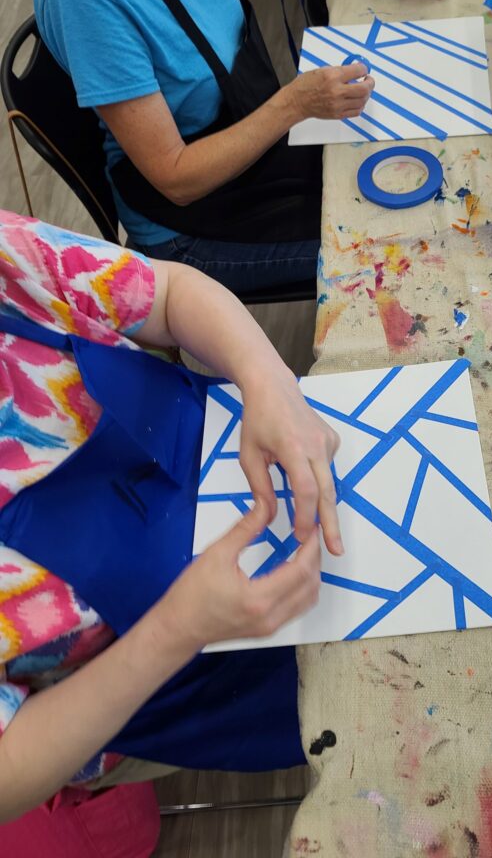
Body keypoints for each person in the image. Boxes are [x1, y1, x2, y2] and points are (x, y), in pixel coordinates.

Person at [0, 206, 343, 823]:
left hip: (238, 454)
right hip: (156, 675)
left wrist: (266, 381)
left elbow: (172, 292)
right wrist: (177, 631)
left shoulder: (6, 260)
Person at [26, 0, 450, 295]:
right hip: (190, 227)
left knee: (424, 177)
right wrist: (294, 103)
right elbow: (176, 176)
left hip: (253, 154)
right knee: (405, 243)